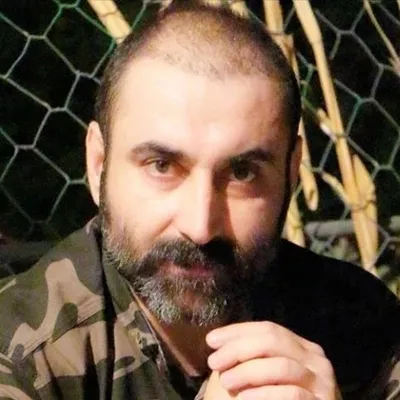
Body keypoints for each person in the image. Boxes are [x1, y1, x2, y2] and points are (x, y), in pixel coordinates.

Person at [0, 1, 399, 399]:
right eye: (162, 166)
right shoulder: (22, 358)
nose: (201, 226)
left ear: (290, 173)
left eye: (242, 173)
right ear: (98, 165)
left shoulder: (362, 325)